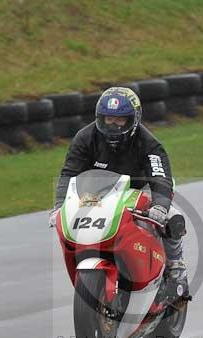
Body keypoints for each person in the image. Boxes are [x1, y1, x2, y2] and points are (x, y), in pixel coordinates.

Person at [49, 86, 188, 294]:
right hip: (99, 194)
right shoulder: (85, 138)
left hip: (141, 191)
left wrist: (159, 206)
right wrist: (59, 206)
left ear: (133, 119)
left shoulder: (149, 144)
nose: (113, 125)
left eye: (120, 120)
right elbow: (69, 174)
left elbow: (161, 177)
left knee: (173, 217)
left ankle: (175, 266)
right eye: (108, 119)